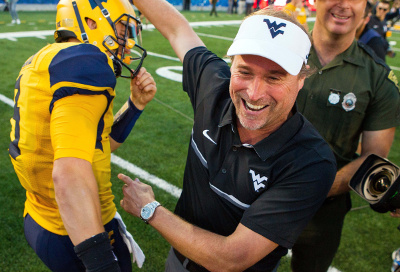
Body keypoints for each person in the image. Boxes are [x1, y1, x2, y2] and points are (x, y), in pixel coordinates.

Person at [119, 2, 337, 272]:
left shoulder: (311, 161)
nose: (255, 93)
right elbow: (177, 30)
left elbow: (232, 258)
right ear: (231, 65)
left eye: (275, 78)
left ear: (301, 79)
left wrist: (149, 209)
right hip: (178, 261)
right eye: (245, 72)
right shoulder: (214, 87)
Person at [8, 0, 157, 271]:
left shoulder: (45, 58)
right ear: (90, 22)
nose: (128, 41)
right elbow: (69, 175)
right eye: (123, 29)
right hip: (76, 229)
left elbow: (97, 144)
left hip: (41, 218)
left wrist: (135, 105)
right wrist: (101, 264)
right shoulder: (85, 63)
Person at [291, 0, 400, 270]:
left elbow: (373, 158)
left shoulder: (379, 79)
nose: (344, 5)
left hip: (322, 212)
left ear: (366, 7)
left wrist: (310, 190)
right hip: (254, 191)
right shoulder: (281, 50)